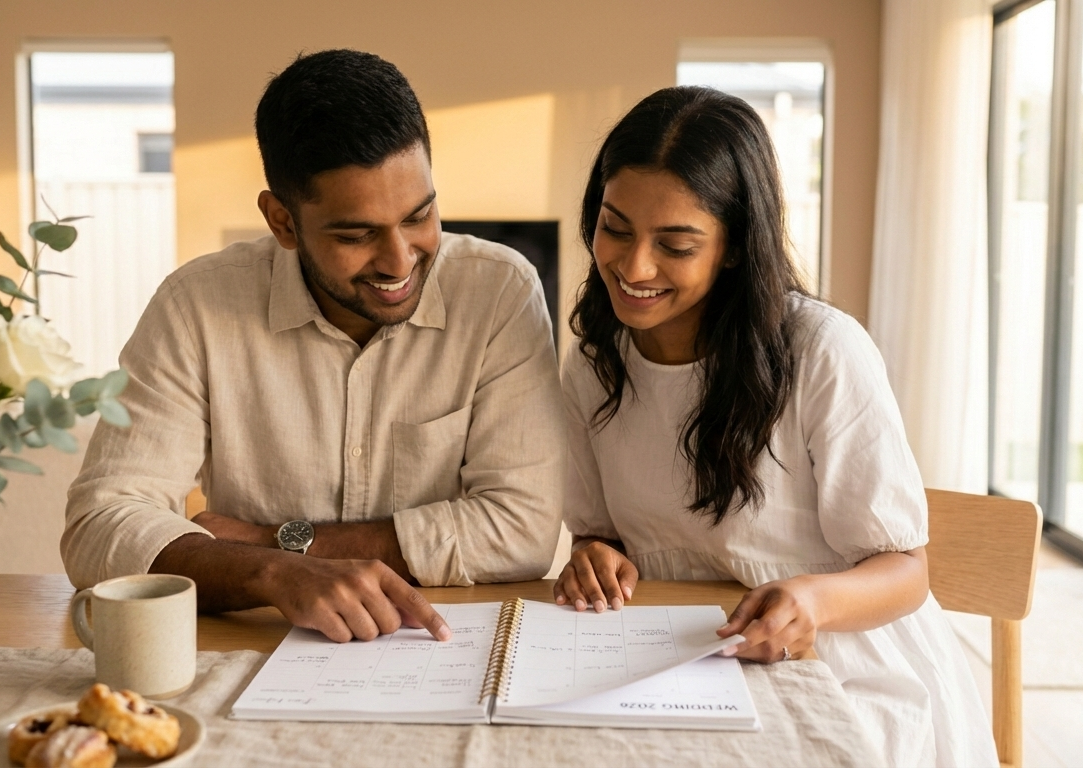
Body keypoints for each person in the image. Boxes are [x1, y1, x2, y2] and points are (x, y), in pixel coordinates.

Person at [553, 86, 996, 767]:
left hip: (843, 662)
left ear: (733, 247)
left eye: (675, 244)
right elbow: (599, 531)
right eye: (615, 228)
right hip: (685, 661)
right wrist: (596, 556)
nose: (633, 267)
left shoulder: (821, 352)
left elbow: (908, 571)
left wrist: (810, 601)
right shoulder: (594, 365)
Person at [63, 49, 564, 644]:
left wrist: (269, 540)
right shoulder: (194, 305)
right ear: (281, 221)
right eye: (356, 234)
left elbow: (524, 530)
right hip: (257, 643)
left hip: (441, 645)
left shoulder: (498, 290)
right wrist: (275, 573)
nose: (400, 260)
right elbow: (99, 524)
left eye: (418, 215)